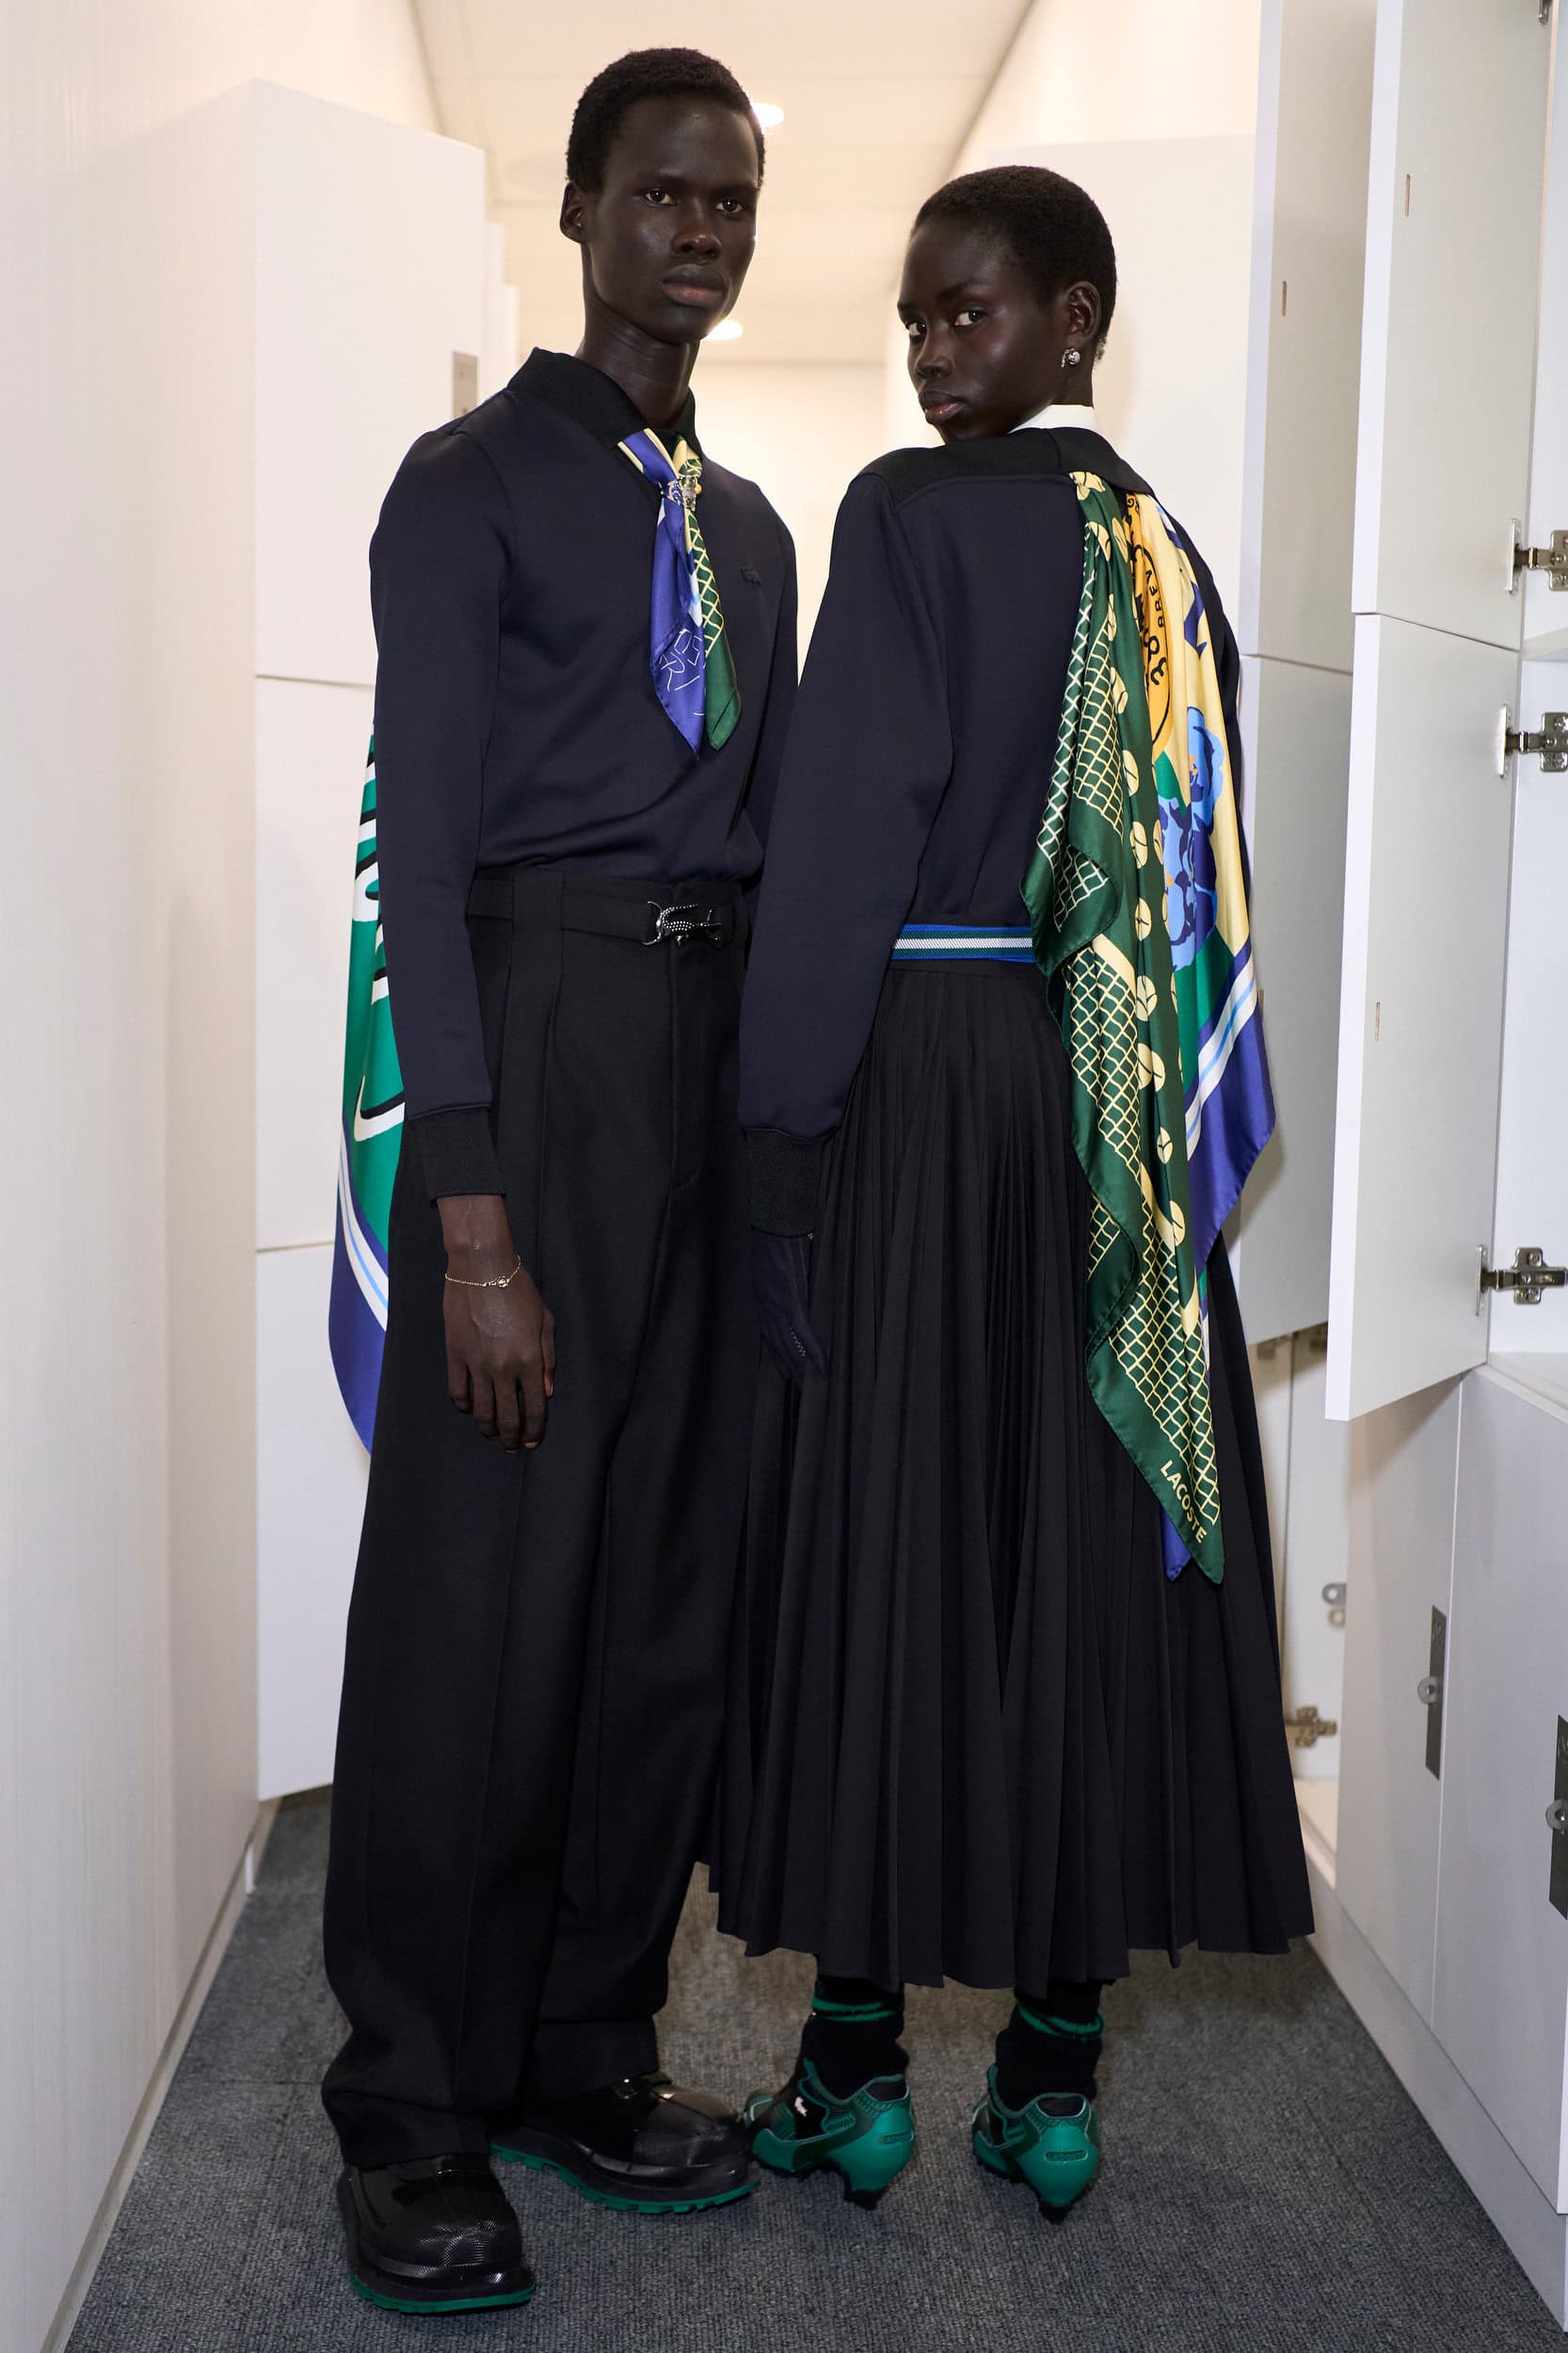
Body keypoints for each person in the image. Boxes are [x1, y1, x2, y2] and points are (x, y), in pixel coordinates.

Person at [718, 167, 1312, 2223]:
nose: (927, 352)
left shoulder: (903, 512)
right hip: (1105, 1109)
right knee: (1074, 1557)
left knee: (886, 1546)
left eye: (963, 313)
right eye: (913, 320)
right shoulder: (1163, 555)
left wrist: (775, 1135)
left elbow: (841, 841)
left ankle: (852, 2071)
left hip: (924, 1073)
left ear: (1074, 317)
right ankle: (1052, 2089)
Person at [321, 50, 797, 2314]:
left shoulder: (754, 533)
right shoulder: (467, 487)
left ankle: (580, 2044)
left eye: (731, 202)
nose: (699, 232)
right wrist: (474, 1217)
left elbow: (783, 841)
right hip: (539, 1030)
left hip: (711, 1066)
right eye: (665, 193)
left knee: (659, 1593)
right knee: (478, 1609)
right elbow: (417, 865)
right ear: (582, 207)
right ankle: (412, 2100)